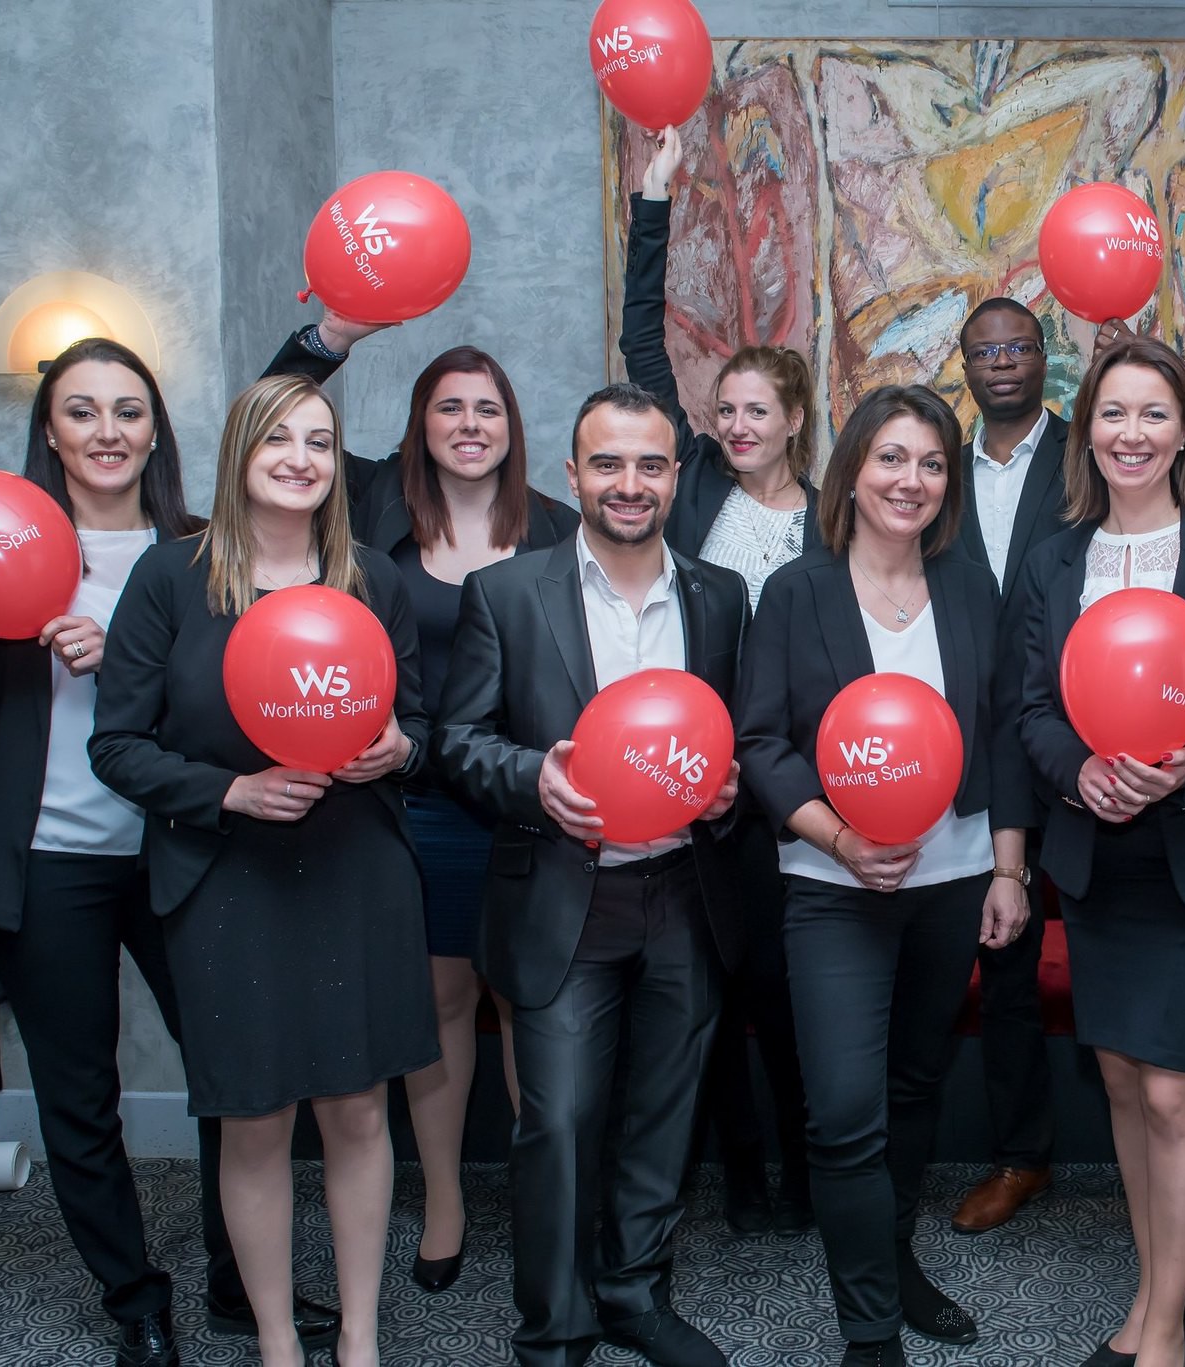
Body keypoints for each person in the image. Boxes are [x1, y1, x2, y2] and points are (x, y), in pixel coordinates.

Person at [0, 339, 333, 1365]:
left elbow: (240, 696)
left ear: (156, 430)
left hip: (187, 850)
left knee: (237, 1075)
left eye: (128, 410)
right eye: (81, 411)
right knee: (76, 1095)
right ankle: (134, 1295)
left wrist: (128, 656)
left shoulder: (199, 546)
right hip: (48, 860)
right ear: (49, 428)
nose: (107, 432)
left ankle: (240, 1278)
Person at [89, 373, 437, 1367]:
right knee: (254, 1117)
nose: (299, 458)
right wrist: (229, 792)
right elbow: (117, 744)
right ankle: (279, 1339)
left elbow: (420, 727)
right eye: (278, 438)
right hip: (225, 877)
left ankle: (360, 1334)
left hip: (355, 867)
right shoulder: (170, 577)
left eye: (320, 442)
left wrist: (398, 748)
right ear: (240, 451)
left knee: (361, 1106)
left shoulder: (374, 579)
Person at [432, 382, 748, 1367]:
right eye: (606, 463)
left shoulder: (717, 595)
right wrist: (534, 778)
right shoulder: (508, 594)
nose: (628, 482)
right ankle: (555, 1325)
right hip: (565, 895)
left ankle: (633, 1292)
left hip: (683, 897)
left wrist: (729, 792)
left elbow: (729, 742)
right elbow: (455, 740)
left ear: (675, 476)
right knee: (560, 1119)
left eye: (649, 463)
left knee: (663, 1111)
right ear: (572, 476)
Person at [268, 324, 582, 1291]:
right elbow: (275, 409)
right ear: (421, 423)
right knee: (442, 1002)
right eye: (449, 405)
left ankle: (548, 1200)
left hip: (530, 795)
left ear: (512, 425)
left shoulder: (561, 525)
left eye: (487, 406)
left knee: (532, 1002)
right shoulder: (367, 503)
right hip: (418, 800)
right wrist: (328, 335)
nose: (469, 422)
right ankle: (442, 1199)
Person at [1014, 337, 1185, 1367]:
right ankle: (1146, 1291)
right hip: (1095, 859)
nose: (1130, 433)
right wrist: (1073, 772)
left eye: (1152, 414)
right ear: (1086, 429)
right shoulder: (1051, 558)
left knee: (1176, 1089)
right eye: (1112, 413)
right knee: (1125, 1081)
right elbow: (1030, 706)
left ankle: (1166, 1324)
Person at [736, 384, 1028, 1367]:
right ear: (852, 471)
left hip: (951, 882)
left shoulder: (967, 588)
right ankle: (868, 1330)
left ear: (947, 483)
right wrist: (838, 839)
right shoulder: (796, 592)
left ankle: (893, 1259)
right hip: (831, 888)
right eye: (891, 458)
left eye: (930, 462)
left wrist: (1007, 869)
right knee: (845, 1106)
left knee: (913, 1087)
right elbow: (761, 742)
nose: (911, 479)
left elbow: (999, 732)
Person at [624, 123, 816, 1233]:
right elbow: (641, 345)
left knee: (786, 999)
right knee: (712, 993)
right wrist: (654, 204)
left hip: (788, 785)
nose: (735, 424)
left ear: (792, 416)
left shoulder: (835, 522)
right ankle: (737, 1171)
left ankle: (797, 1170)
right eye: (724, 409)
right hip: (695, 780)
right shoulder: (690, 484)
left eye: (757, 409)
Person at [943, 295, 1070, 1240]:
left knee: (1115, 971)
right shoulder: (931, 466)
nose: (1001, 362)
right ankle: (1022, 1155)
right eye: (984, 350)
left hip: (1086, 741)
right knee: (1006, 964)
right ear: (965, 362)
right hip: (968, 750)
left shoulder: (1090, 452)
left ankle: (1168, 1183)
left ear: (1043, 356)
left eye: (1018, 346)